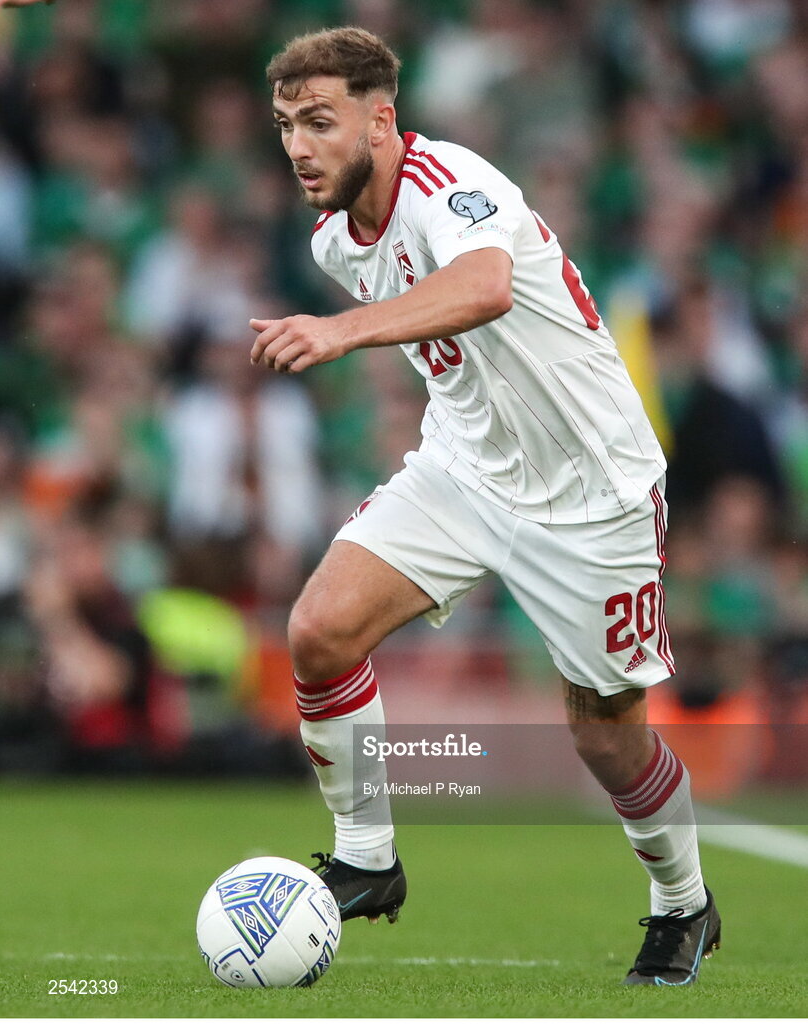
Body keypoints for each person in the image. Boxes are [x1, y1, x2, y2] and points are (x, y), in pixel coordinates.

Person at [250, 27, 720, 987]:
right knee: (320, 630)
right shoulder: (338, 241)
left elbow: (484, 286)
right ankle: (366, 858)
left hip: (594, 492)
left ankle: (685, 905)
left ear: (382, 121)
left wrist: (342, 336)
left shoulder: (450, 180)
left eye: (319, 122)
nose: (298, 145)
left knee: (605, 735)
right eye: (286, 125)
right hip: (464, 470)